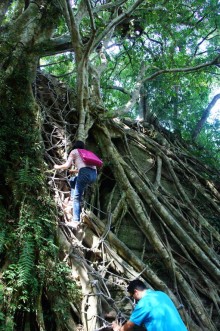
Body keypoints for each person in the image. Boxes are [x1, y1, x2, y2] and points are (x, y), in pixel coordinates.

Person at [112, 279, 188, 331]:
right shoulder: (161, 294)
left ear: (136, 292)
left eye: (132, 295)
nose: (134, 298)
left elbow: (129, 326)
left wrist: (118, 328)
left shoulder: (143, 303)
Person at [54, 140, 97, 228]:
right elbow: (89, 168)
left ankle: (75, 221)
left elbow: (66, 165)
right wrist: (76, 171)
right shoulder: (88, 153)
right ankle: (73, 198)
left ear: (75, 146)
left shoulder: (74, 151)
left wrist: (57, 167)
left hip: (84, 174)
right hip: (94, 175)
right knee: (73, 179)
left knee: (77, 198)